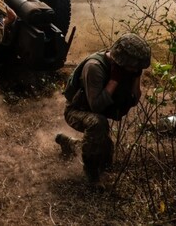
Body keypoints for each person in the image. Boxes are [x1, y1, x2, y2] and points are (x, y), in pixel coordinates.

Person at [56, 33, 151, 184]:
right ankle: (91, 174)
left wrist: (136, 77)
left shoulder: (126, 69)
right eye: (134, 67)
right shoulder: (94, 67)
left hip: (96, 113)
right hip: (76, 111)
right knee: (97, 124)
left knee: (106, 160)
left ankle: (68, 142)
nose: (135, 70)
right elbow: (97, 106)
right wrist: (114, 81)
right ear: (121, 60)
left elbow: (133, 99)